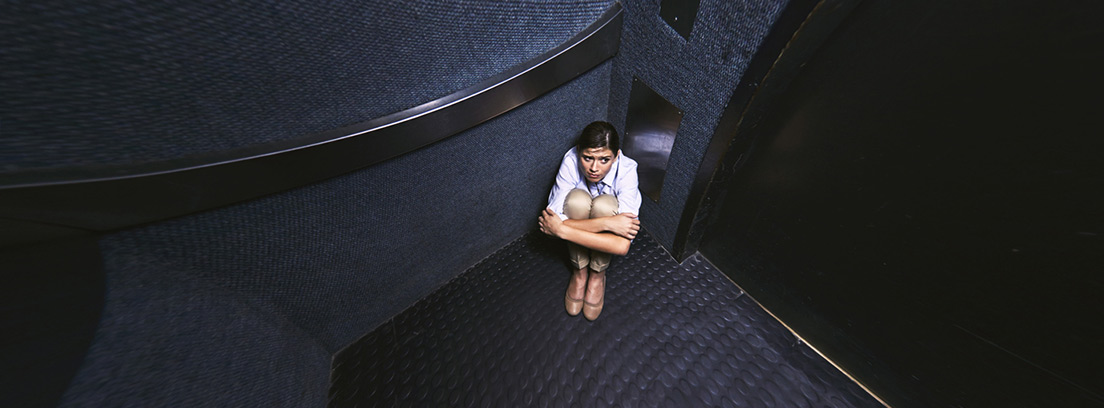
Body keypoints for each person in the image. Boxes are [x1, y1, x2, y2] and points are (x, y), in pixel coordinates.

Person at [538, 121, 641, 321]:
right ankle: (580, 271)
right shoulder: (570, 160)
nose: (594, 168)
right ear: (578, 152)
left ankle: (597, 275)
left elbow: (621, 246)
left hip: (601, 215)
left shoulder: (627, 170)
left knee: (604, 205)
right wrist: (606, 224)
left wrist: (561, 230)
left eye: (604, 160)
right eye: (587, 158)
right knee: (577, 201)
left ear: (616, 156)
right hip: (585, 216)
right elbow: (551, 221)